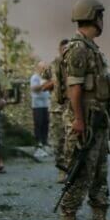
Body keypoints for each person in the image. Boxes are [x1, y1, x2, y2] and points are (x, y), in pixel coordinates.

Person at [56, 0, 110, 220]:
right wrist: (79, 120)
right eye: (101, 17)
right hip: (84, 120)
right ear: (95, 18)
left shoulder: (91, 48)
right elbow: (74, 88)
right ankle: (68, 218)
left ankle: (99, 219)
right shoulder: (78, 49)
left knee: (100, 172)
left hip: (99, 119)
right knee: (80, 169)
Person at [41, 39, 69, 182]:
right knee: (58, 141)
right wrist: (54, 82)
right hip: (56, 109)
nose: (65, 51)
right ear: (59, 50)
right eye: (62, 48)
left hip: (72, 109)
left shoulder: (76, 64)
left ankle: (74, 170)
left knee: (72, 141)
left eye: (67, 48)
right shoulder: (53, 65)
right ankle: (61, 171)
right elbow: (43, 85)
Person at [30, 61, 51, 157]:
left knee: (45, 124)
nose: (44, 70)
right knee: (38, 124)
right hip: (37, 105)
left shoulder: (46, 78)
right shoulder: (35, 77)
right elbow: (34, 88)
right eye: (42, 68)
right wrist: (44, 85)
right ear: (38, 68)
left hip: (46, 104)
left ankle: (44, 143)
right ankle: (38, 145)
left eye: (45, 68)